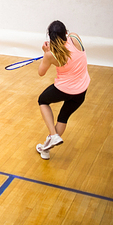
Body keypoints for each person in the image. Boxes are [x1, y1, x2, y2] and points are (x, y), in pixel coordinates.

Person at [36, 20, 90, 159]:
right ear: (66, 32)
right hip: (81, 91)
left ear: (50, 36)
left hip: (63, 89)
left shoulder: (51, 54)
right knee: (63, 117)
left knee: (42, 100)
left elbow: (41, 72)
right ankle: (46, 150)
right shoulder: (75, 38)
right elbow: (70, 52)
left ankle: (53, 135)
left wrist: (46, 53)